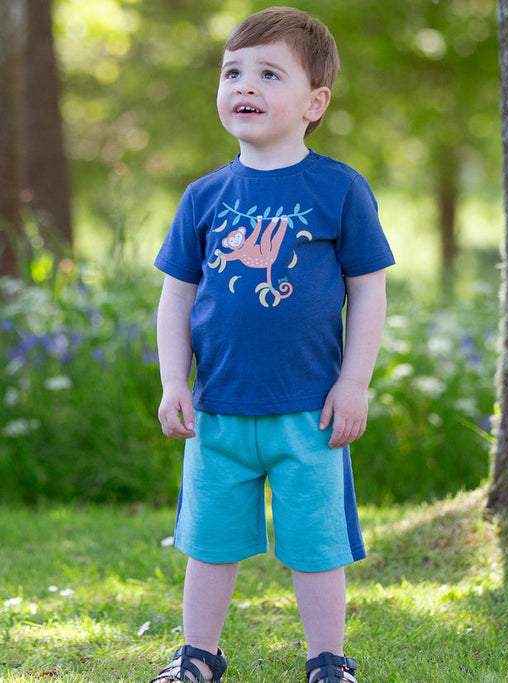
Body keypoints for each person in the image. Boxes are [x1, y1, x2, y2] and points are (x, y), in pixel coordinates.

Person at [151, 7, 394, 683]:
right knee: (210, 542)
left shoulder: (339, 189)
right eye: (232, 72)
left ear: (315, 102)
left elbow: (369, 292)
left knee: (317, 545)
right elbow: (176, 296)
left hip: (309, 411)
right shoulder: (204, 196)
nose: (244, 85)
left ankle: (328, 661)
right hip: (218, 411)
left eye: (268, 73)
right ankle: (199, 654)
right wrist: (173, 380)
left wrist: (354, 382)